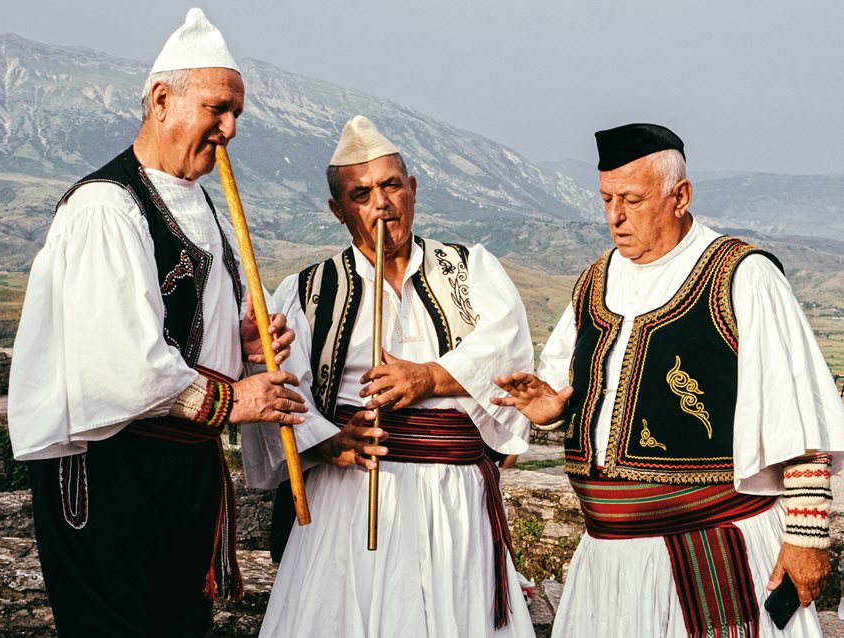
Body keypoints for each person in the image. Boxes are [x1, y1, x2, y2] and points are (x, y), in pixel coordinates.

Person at [7, 9, 306, 637]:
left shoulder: (199, 201)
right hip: (114, 478)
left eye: (237, 115)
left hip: (179, 475)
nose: (228, 129)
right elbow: (119, 365)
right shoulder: (105, 209)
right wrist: (238, 394)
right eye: (218, 109)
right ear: (162, 99)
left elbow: (184, 327)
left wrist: (239, 343)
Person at [492, 123, 844, 638]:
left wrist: (807, 539)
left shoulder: (742, 276)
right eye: (606, 198)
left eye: (632, 200)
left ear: (680, 196)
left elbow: (798, 413)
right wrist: (553, 408)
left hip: (717, 547)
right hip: (607, 564)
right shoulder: (593, 281)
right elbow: (575, 388)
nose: (615, 216)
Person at [243, 115, 536, 637]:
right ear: (338, 209)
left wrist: (428, 377)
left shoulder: (471, 270)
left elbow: (507, 348)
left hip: (455, 497)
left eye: (391, 185)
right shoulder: (310, 292)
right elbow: (282, 390)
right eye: (362, 194)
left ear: (413, 190)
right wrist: (329, 442)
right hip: (354, 498)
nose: (381, 203)